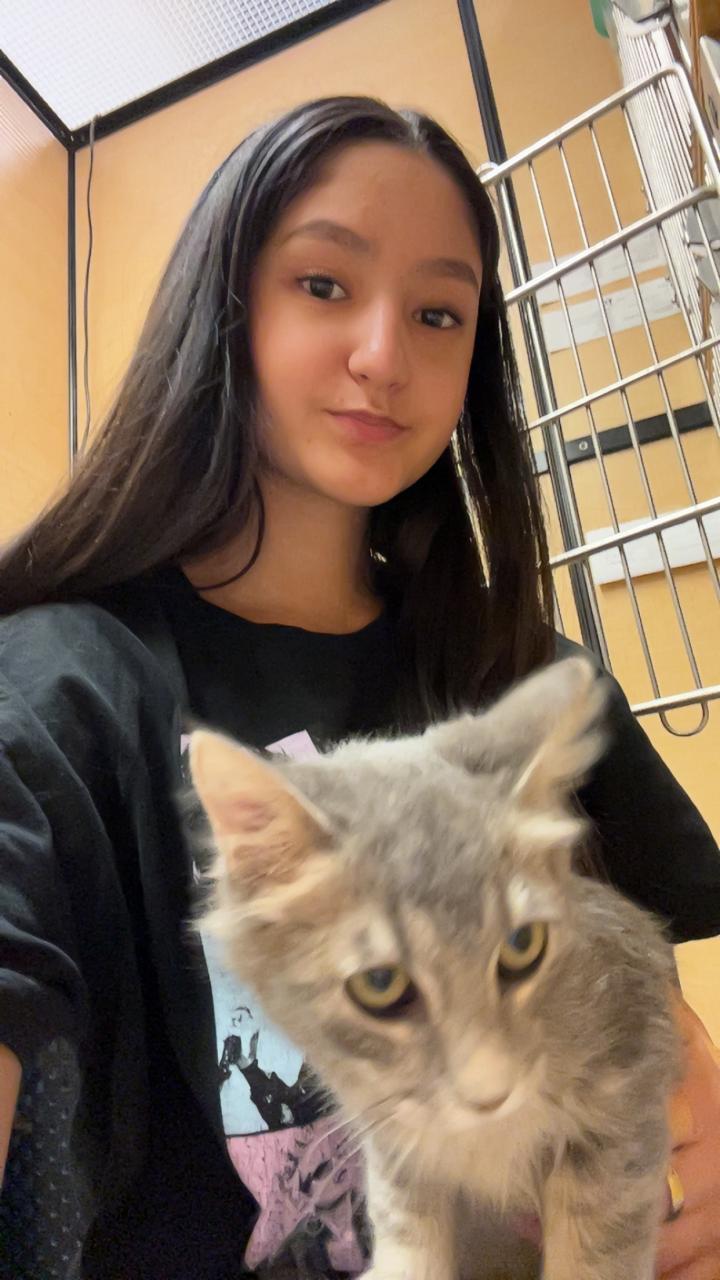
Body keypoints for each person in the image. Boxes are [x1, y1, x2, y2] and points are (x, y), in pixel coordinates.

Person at [0, 95, 718, 1280]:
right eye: (325, 284)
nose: (386, 356)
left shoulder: (529, 678)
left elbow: (659, 1041)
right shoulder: (60, 688)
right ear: (225, 305)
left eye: (440, 312)